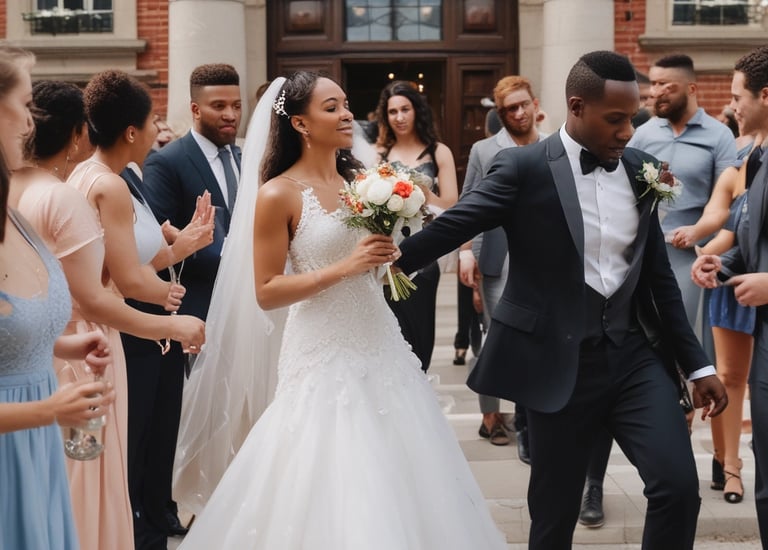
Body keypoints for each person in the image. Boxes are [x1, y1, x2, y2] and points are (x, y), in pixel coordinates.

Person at [396, 50, 728, 550]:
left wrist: (698, 366)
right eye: (614, 120)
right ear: (576, 106)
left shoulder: (643, 170)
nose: (627, 132)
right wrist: (379, 262)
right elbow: (459, 222)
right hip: (558, 361)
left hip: (635, 358)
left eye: (631, 119)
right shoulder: (522, 167)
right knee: (554, 513)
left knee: (678, 488)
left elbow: (658, 279)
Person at [176, 72, 507, 549]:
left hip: (379, 339)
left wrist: (382, 259)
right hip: (321, 348)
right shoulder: (278, 194)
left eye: (347, 104)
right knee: (329, 463)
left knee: (404, 462)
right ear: (300, 124)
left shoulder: (364, 182)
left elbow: (401, 241)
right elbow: (267, 291)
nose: (347, 114)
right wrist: (346, 266)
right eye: (331, 107)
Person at [58, 69, 205, 550]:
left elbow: (119, 264)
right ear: (130, 131)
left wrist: (173, 252)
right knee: (113, 460)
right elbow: (126, 279)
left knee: (98, 462)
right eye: (152, 123)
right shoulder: (112, 186)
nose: (156, 133)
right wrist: (169, 307)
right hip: (103, 334)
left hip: (83, 330)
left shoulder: (85, 174)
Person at [0, 45, 115, 550]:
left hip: (36, 450)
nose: (29, 125)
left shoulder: (14, 213)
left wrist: (62, 347)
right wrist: (50, 411)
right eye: (23, 105)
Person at [138, 63, 242, 544]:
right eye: (219, 106)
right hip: (194, 302)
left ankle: (231, 495)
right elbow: (155, 236)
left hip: (245, 304)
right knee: (187, 415)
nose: (230, 114)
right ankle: (170, 507)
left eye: (237, 105)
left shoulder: (244, 157)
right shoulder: (169, 160)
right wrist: (198, 244)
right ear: (195, 108)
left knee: (234, 408)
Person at [692, 45, 768, 542]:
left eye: (739, 96)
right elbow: (753, 237)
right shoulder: (755, 157)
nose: (732, 105)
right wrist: (723, 264)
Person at [629, 54, 737, 361]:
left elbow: (727, 202)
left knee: (687, 344)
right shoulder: (643, 134)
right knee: (647, 341)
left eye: (665, 84)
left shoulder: (719, 136)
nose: (655, 91)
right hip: (646, 253)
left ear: (691, 88)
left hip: (693, 257)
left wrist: (701, 238)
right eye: (653, 84)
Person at [458, 75, 544, 453]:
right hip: (496, 255)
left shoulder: (555, 146)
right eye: (510, 108)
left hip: (542, 258)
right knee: (494, 337)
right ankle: (490, 416)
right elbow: (468, 205)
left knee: (536, 340)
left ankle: (529, 421)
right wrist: (465, 253)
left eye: (524, 104)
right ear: (500, 113)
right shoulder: (484, 150)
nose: (519, 113)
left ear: (535, 103)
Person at [374, 79, 459, 371]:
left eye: (405, 109)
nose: (399, 117)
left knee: (421, 339)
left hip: (423, 257)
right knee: (390, 338)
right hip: (387, 260)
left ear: (416, 110)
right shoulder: (378, 155)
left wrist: (420, 190)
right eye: (392, 111)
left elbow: (451, 207)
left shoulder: (439, 152)